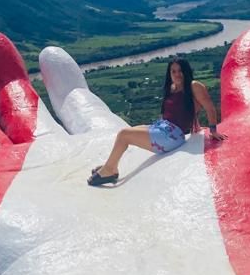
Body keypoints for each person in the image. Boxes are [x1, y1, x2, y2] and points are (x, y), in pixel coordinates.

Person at [88, 58, 227, 186]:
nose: (177, 74)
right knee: (126, 133)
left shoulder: (194, 86)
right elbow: (182, 111)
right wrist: (195, 125)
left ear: (186, 71)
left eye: (180, 71)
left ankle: (110, 170)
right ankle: (110, 165)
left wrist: (213, 130)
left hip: (172, 136)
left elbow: (209, 107)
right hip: (162, 127)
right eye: (173, 71)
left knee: (124, 134)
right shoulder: (172, 88)